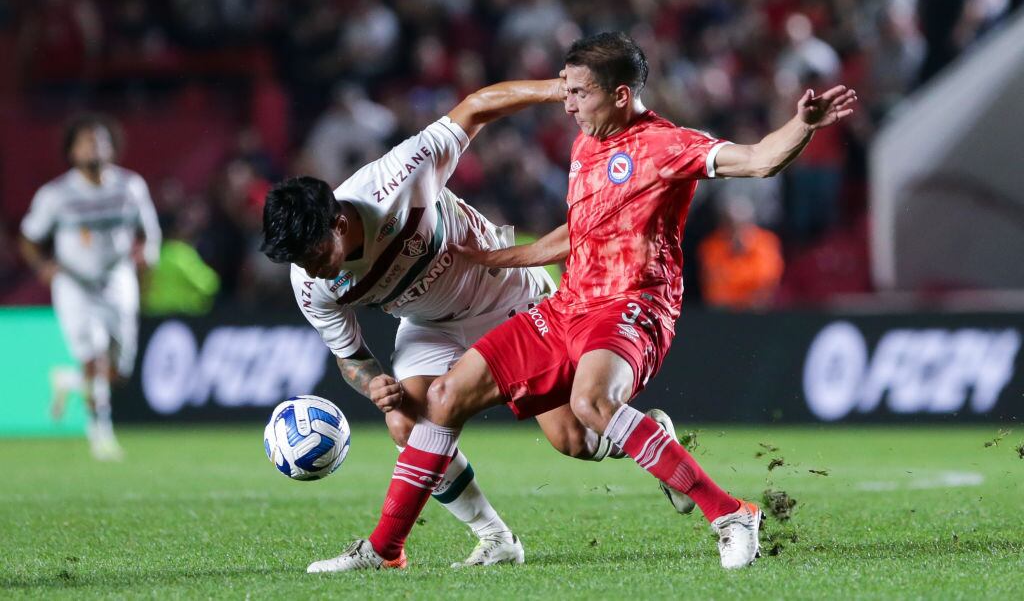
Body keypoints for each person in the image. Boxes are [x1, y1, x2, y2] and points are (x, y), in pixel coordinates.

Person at [305, 32, 857, 573]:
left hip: (633, 303)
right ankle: (384, 550)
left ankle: (731, 514)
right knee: (447, 399)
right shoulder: (587, 141)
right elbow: (581, 230)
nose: (568, 106)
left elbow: (760, 158)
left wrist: (801, 127)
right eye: (565, 92)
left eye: (579, 93)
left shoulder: (665, 145)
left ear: (620, 94)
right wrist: (501, 259)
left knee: (593, 403)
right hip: (568, 304)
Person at [260, 77, 689, 569]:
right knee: (408, 421)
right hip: (429, 324)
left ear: (338, 222)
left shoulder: (396, 179)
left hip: (505, 293)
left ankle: (651, 433)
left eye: (315, 256)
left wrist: (557, 90)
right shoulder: (308, 282)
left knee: (575, 440)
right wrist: (374, 383)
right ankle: (495, 538)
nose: (311, 270)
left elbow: (475, 108)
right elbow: (350, 357)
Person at [19, 114, 161, 460]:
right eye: (85, 141)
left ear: (113, 147)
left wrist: (149, 255)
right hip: (75, 283)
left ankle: (68, 381)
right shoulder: (56, 194)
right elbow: (28, 238)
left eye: (100, 140)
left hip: (117, 279)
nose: (93, 147)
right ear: (71, 150)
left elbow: (149, 232)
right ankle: (101, 434)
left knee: (118, 369)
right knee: (93, 355)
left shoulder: (130, 186)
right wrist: (43, 266)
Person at [698, 194, 784, 310]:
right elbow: (716, 292)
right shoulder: (711, 247)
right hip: (723, 316)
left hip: (759, 313)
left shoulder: (767, 243)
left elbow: (767, 284)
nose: (737, 231)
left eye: (743, 224)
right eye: (731, 225)